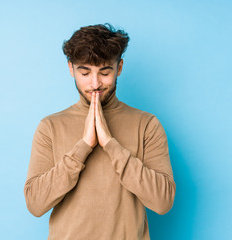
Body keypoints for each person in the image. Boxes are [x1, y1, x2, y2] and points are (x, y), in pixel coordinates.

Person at [24, 23, 176, 240]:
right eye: (85, 73)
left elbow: (162, 202)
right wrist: (84, 145)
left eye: (105, 72)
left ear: (119, 68)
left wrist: (110, 144)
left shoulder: (146, 124)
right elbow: (35, 204)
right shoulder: (50, 127)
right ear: (71, 69)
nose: (95, 83)